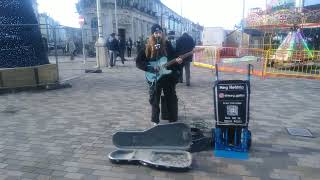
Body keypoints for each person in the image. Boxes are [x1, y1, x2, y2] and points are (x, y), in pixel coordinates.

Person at [136, 24, 183, 125]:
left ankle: (173, 119)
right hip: (154, 77)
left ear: (162, 33)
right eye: (156, 33)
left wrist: (178, 61)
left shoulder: (167, 44)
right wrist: (150, 68)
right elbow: (139, 62)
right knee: (154, 99)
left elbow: (174, 57)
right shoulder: (147, 46)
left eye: (160, 32)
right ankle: (155, 120)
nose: (158, 35)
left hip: (168, 77)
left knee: (171, 98)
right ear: (152, 34)